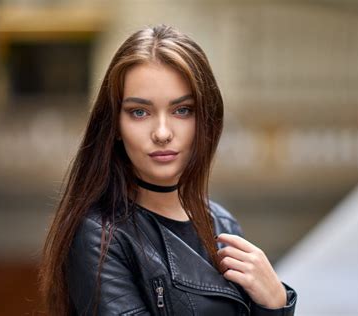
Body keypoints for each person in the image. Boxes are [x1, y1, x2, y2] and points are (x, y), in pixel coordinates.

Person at [38, 24, 297, 316]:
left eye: (182, 110)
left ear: (206, 121)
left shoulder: (222, 226)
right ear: (116, 127)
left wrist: (275, 302)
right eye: (140, 112)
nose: (162, 133)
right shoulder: (100, 236)